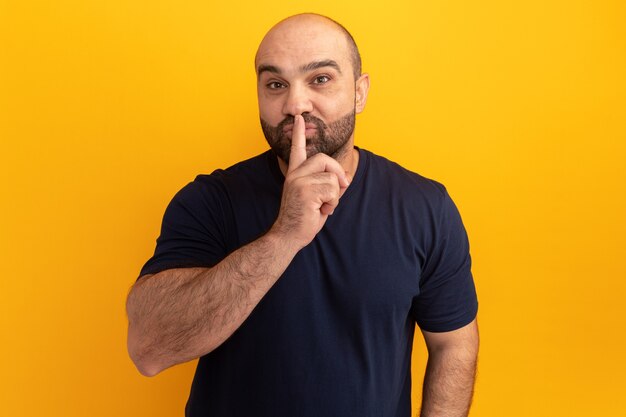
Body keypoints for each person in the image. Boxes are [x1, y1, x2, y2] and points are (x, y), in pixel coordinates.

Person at [126, 13, 479, 417]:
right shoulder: (210, 201)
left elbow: (453, 342)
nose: (295, 104)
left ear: (360, 92)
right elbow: (149, 350)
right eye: (275, 84)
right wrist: (285, 234)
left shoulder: (424, 206)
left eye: (321, 79)